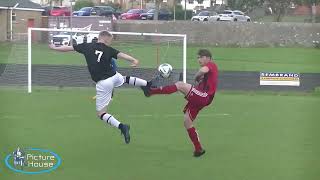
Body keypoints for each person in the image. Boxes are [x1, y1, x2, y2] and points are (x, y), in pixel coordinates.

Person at [49, 30, 152, 144]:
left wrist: (54, 48)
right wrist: (134, 60)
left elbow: (68, 48)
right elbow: (121, 55)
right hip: (113, 76)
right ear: (106, 39)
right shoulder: (108, 49)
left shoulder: (86, 46)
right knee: (124, 78)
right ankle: (146, 85)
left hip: (104, 83)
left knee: (101, 113)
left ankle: (122, 127)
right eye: (110, 41)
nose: (110, 43)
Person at [142, 49, 218, 157]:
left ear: (207, 57)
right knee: (187, 122)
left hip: (204, 96)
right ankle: (199, 149)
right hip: (201, 98)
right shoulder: (208, 71)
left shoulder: (212, 64)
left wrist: (197, 76)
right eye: (198, 58)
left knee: (180, 85)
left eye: (200, 57)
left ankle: (151, 91)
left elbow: (202, 71)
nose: (198, 60)